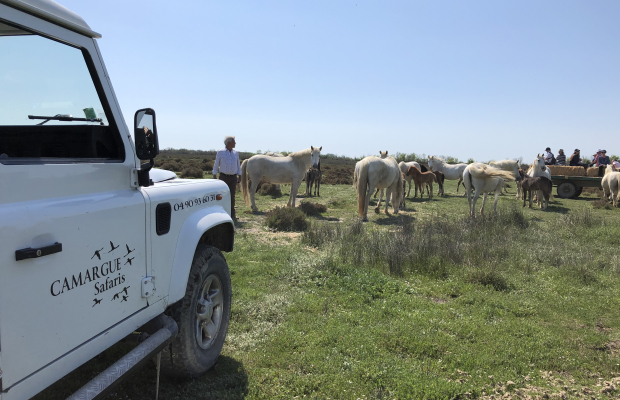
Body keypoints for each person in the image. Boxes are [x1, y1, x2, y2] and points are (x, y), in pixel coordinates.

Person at [213, 136, 241, 220]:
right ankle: (222, 214)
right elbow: (216, 163)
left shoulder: (236, 153)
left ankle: (232, 214)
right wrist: (214, 175)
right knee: (222, 196)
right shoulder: (220, 152)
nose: (235, 143)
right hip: (223, 177)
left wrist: (240, 175)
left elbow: (238, 165)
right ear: (229, 143)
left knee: (232, 196)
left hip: (233, 177)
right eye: (234, 142)